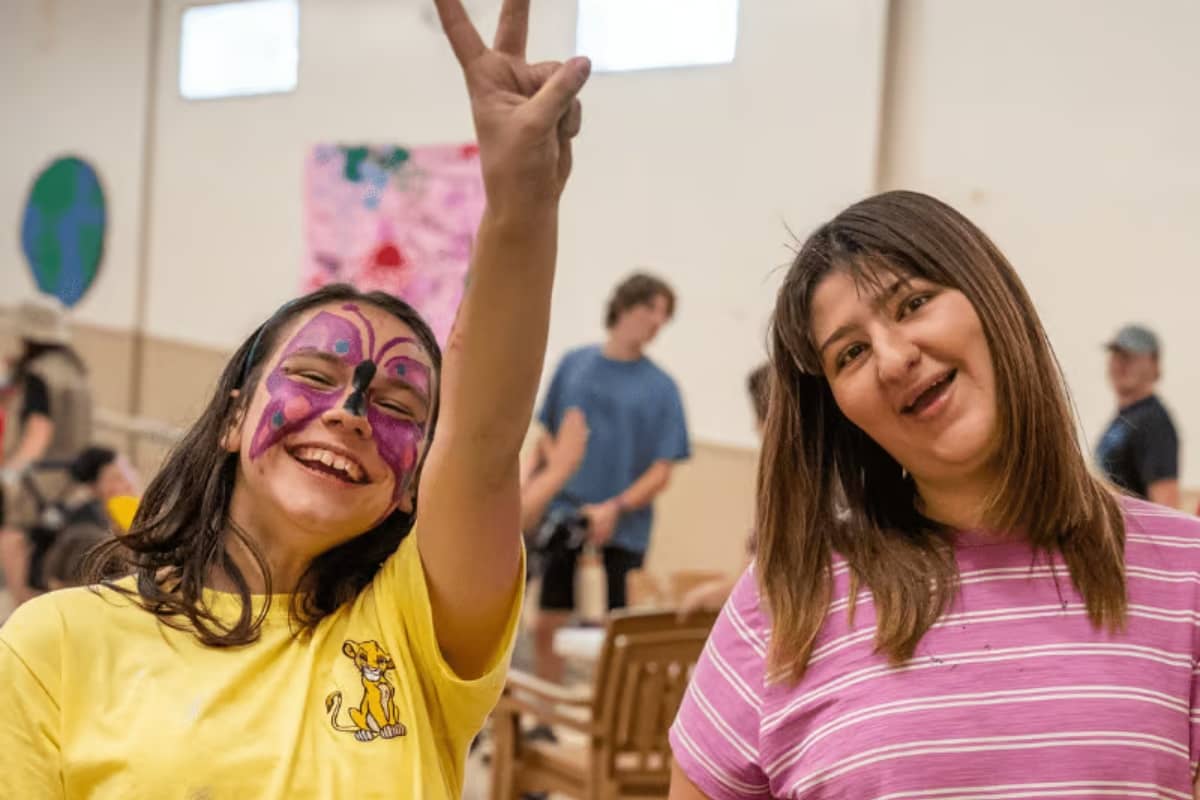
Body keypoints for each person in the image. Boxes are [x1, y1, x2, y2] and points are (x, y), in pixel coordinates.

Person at [0, 0, 591, 794]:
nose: (350, 411)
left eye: (400, 409)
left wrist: (521, 206)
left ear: (412, 482)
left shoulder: (416, 630)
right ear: (236, 416)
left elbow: (484, 443)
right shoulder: (55, 643)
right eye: (314, 376)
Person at [668, 191, 1200, 798]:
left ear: (992, 298)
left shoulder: (1185, 571)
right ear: (843, 412)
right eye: (852, 353)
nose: (894, 359)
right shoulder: (785, 600)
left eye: (914, 302)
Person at [532, 272, 691, 687]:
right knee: (548, 621)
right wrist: (561, 479)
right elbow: (548, 434)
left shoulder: (662, 389)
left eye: (665, 315)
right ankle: (546, 719)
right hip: (565, 516)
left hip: (626, 529)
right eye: (650, 309)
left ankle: (604, 727)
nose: (657, 322)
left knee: (617, 634)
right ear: (624, 307)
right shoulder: (574, 365)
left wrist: (613, 508)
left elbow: (661, 470)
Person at [0, 295, 94, 606]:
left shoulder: (39, 373)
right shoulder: (75, 370)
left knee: (15, 543)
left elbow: (39, 431)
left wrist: (9, 472)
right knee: (53, 559)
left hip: (40, 481)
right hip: (76, 479)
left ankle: (21, 619)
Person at [677, 364, 769, 615]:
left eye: (759, 418)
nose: (754, 427)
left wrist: (708, 594)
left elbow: (760, 582)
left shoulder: (788, 490)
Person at [1095, 324, 1179, 507]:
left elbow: (1166, 505)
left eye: (1130, 356)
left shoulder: (1154, 422)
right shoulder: (1124, 419)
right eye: (1116, 355)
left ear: (1154, 364)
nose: (1121, 364)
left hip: (1135, 533)